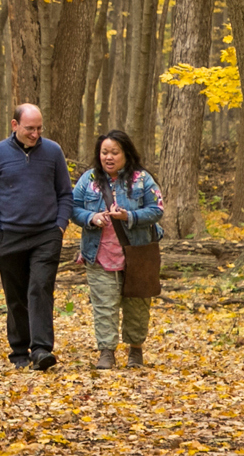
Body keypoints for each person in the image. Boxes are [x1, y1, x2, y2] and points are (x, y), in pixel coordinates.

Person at [0, 103, 73, 370]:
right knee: (16, 295)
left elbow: (65, 193)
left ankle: (41, 349)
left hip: (46, 234)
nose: (35, 134)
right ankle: (19, 350)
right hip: (9, 235)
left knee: (40, 288)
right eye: (29, 128)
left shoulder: (53, 152)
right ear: (14, 125)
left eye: (39, 128)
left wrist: (59, 227)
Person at [71, 129, 164, 369]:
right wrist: (91, 217)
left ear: (126, 154)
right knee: (104, 305)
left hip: (138, 254)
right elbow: (73, 207)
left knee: (137, 306)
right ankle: (106, 352)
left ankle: (135, 351)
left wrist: (129, 216)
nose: (108, 157)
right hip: (99, 254)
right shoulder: (89, 180)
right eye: (104, 152)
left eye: (114, 152)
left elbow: (157, 209)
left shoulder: (142, 179)